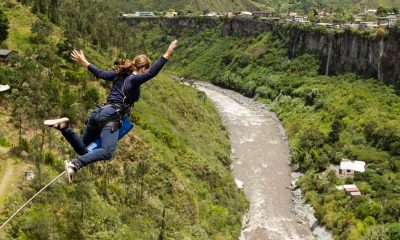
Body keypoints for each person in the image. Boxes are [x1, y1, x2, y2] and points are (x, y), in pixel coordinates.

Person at [44, 40, 178, 183]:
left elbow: (100, 73)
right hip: (111, 117)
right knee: (107, 152)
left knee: (84, 150)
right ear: (143, 69)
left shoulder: (118, 75)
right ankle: (75, 164)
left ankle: (65, 128)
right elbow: (152, 73)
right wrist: (167, 54)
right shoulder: (134, 79)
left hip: (97, 113)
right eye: (145, 70)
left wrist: (85, 62)